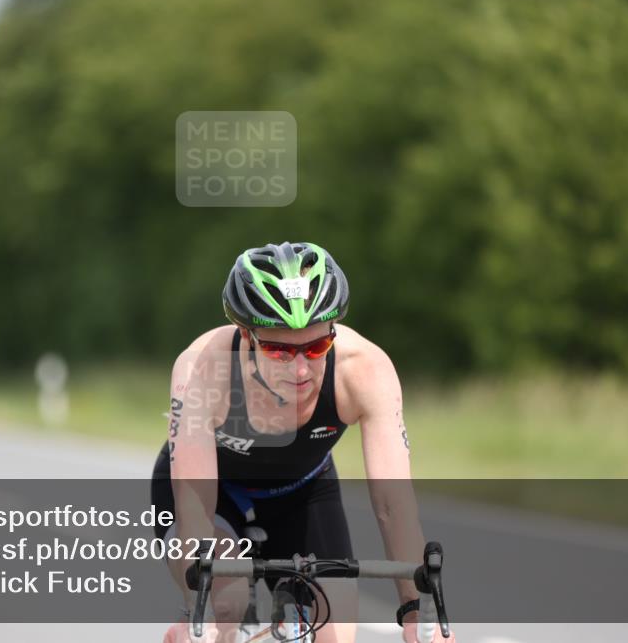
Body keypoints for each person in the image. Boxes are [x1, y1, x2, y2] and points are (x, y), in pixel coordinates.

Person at [153, 241, 454, 643]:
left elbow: (393, 504)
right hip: (216, 497)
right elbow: (195, 505)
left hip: (303, 491)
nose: (300, 370)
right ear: (246, 335)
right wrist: (201, 608)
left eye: (316, 348)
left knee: (336, 631)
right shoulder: (202, 370)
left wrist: (417, 611)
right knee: (226, 604)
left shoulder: (364, 371)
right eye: (279, 351)